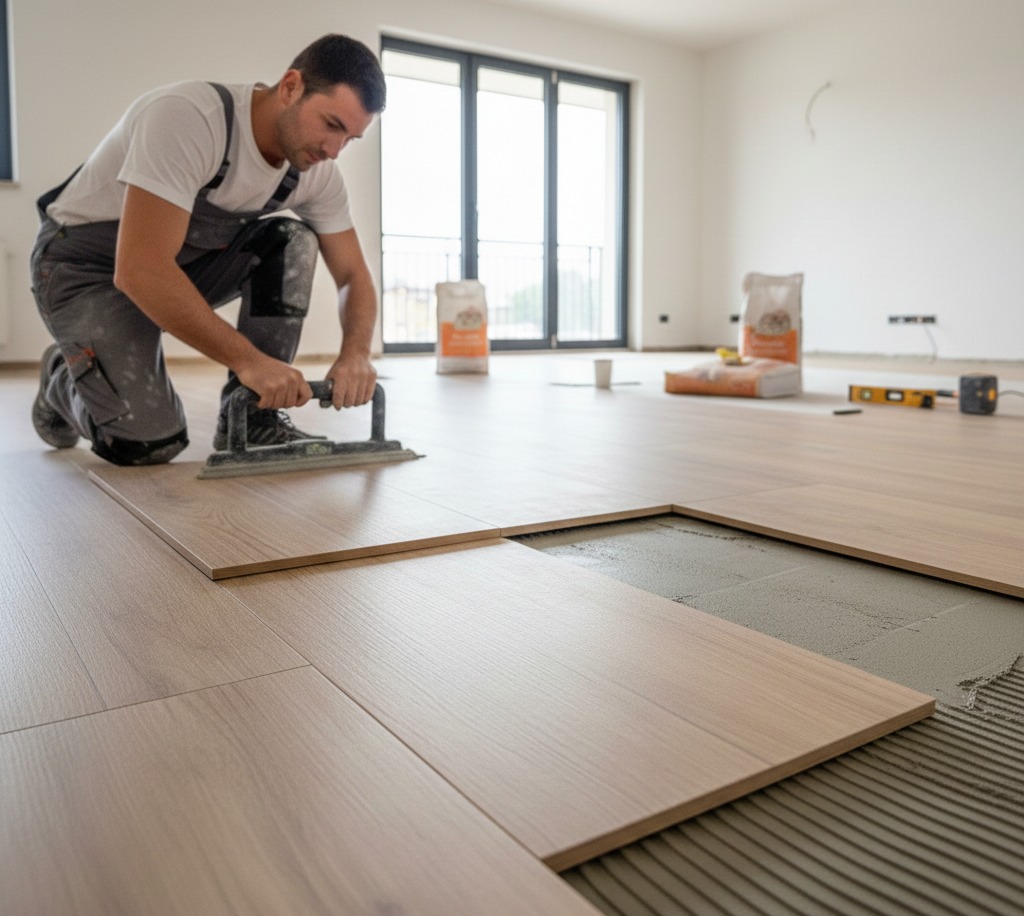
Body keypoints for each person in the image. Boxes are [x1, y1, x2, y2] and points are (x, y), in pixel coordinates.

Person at [30, 34, 385, 466]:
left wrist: (356, 354)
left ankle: (254, 418)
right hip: (84, 270)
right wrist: (249, 360)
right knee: (146, 444)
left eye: (351, 138)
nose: (334, 151)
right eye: (331, 125)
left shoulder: (315, 173)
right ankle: (60, 377)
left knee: (292, 241)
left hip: (176, 266)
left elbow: (353, 276)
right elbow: (140, 268)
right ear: (291, 86)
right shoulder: (189, 118)